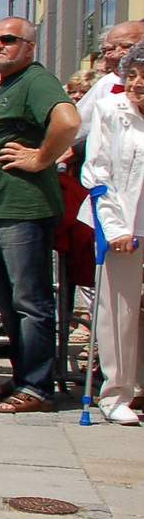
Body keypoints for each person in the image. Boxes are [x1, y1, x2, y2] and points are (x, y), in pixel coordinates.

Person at [0, 18, 81, 413]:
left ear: (30, 47)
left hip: (24, 208)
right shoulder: (8, 85)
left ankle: (37, 387)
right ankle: (23, 378)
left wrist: (40, 158)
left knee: (29, 300)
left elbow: (68, 120)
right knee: (8, 299)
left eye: (8, 39)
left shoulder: (36, 80)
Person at [78, 39, 144, 425]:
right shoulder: (110, 110)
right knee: (119, 310)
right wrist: (115, 227)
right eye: (132, 74)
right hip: (123, 224)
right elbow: (98, 173)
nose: (137, 83)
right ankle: (116, 392)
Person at [76, 20, 144, 143]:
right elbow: (75, 127)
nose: (117, 55)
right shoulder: (106, 85)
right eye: (109, 49)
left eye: (127, 46)